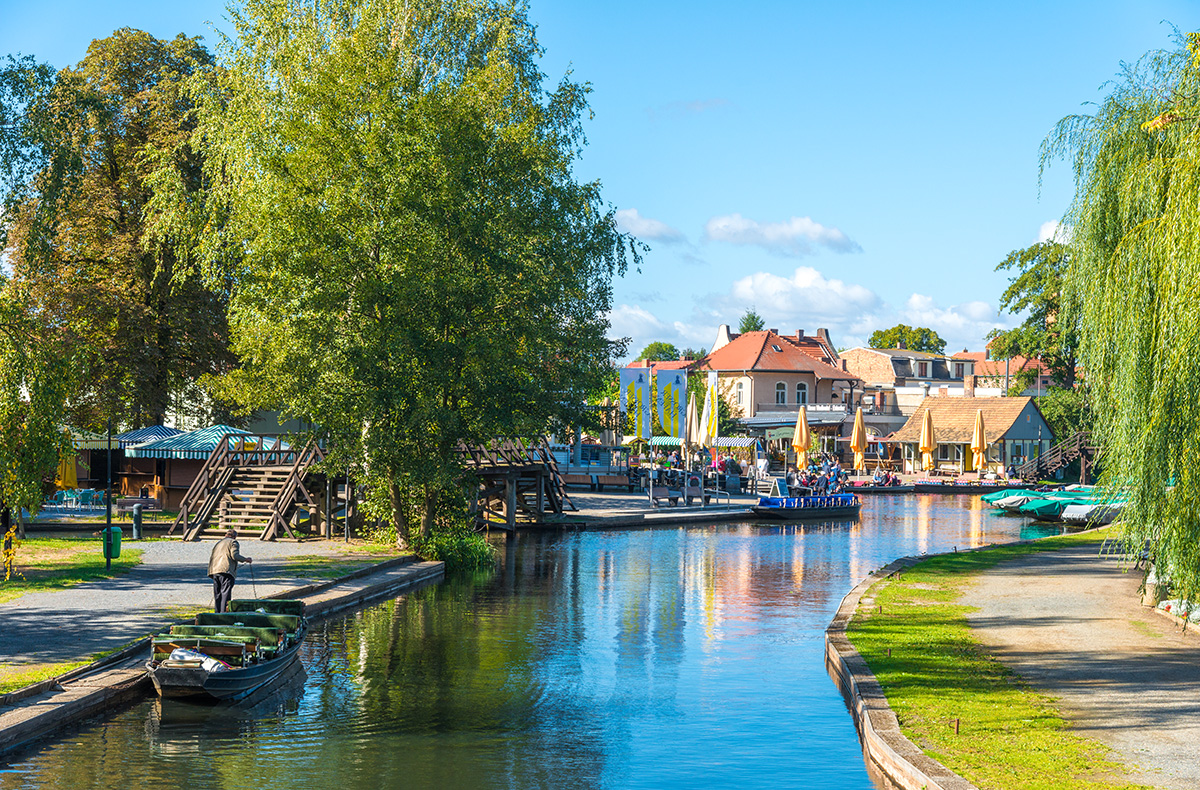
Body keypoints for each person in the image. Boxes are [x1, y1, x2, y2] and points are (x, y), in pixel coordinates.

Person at [208, 529, 252, 613]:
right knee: (225, 594)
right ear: (235, 536)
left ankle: (217, 614)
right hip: (226, 571)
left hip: (214, 570)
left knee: (217, 594)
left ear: (226, 535)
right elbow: (234, 555)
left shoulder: (218, 543)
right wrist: (246, 559)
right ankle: (224, 615)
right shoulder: (233, 542)